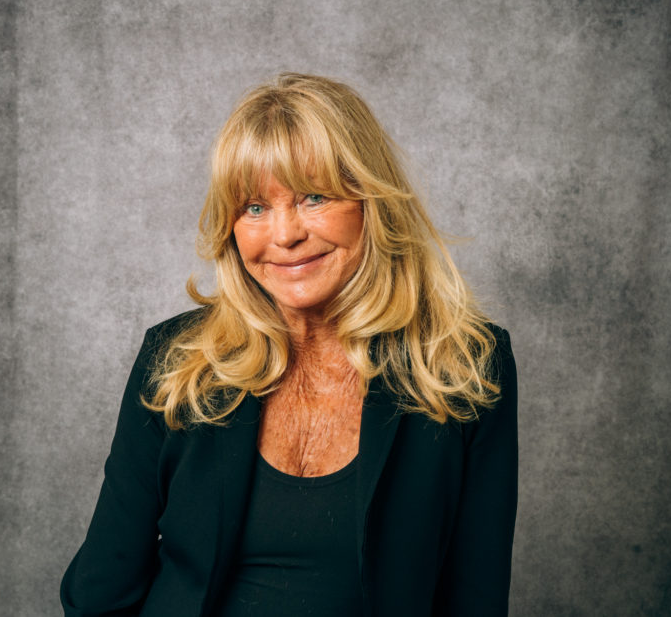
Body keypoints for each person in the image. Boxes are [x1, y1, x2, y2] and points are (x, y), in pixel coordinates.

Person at [60, 73, 518, 617]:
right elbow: (99, 593)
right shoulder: (177, 360)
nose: (285, 235)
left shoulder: (465, 365)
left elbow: (475, 598)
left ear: (371, 201)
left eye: (314, 197)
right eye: (254, 207)